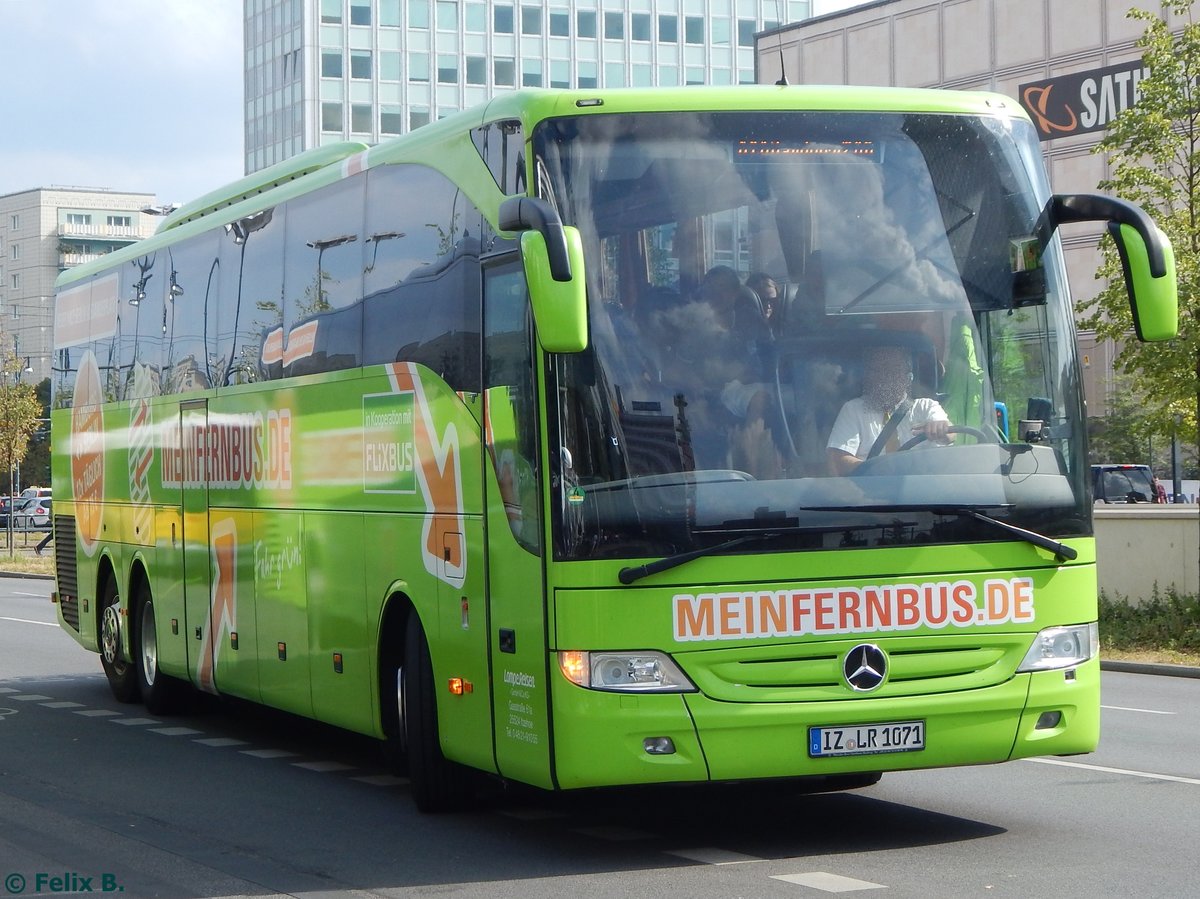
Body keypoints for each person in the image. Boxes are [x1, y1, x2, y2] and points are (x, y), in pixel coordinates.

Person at [826, 345, 950, 475]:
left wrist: (941, 429)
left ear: (907, 377)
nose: (886, 377)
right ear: (868, 376)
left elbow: (950, 434)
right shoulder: (853, 409)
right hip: (869, 492)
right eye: (878, 370)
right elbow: (837, 459)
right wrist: (875, 470)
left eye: (894, 370)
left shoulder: (926, 407)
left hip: (919, 490)